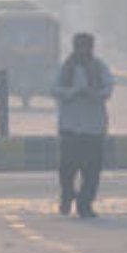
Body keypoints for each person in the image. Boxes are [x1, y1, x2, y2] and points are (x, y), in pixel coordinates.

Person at [52, 32, 115, 219]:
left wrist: (91, 94)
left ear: (91, 48)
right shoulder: (65, 68)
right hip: (70, 126)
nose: (82, 50)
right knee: (66, 169)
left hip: (94, 127)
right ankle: (67, 195)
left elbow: (108, 89)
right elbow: (54, 88)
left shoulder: (99, 67)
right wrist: (72, 93)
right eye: (79, 46)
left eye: (85, 47)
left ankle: (84, 204)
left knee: (92, 171)